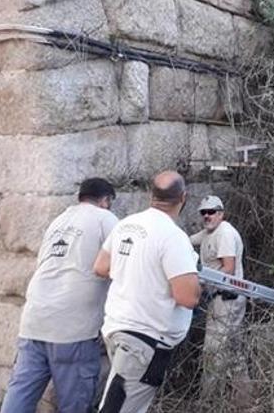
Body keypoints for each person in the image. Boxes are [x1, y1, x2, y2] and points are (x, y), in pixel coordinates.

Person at [1, 178, 118, 413]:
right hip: (72, 328)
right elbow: (122, 263)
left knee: (20, 395)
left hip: (34, 321)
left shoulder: (59, 221)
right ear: (106, 200)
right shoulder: (106, 219)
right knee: (75, 402)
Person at [93, 170, 201, 413]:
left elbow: (100, 267)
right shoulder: (174, 237)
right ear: (183, 197)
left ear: (150, 195)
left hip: (118, 330)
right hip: (145, 341)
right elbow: (188, 297)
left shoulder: (126, 224)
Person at [189, 195, 248, 400]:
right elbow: (186, 242)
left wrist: (202, 284)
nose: (207, 216)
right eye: (203, 212)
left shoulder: (224, 234)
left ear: (221, 214)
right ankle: (244, 399)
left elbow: (228, 269)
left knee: (213, 350)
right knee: (233, 351)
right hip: (219, 298)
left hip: (227, 299)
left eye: (211, 212)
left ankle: (208, 401)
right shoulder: (208, 232)